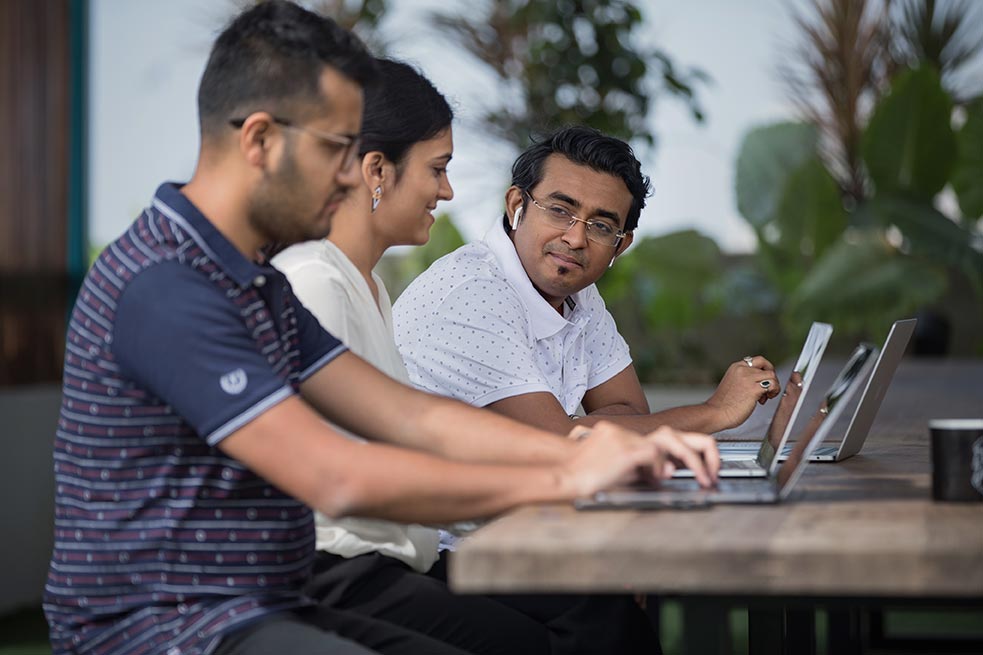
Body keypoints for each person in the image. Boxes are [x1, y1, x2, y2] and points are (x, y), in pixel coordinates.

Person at [43, 4, 720, 655]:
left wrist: (580, 452)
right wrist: (567, 473)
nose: (351, 175)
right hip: (171, 624)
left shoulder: (253, 280)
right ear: (259, 141)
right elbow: (334, 475)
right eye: (338, 148)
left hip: (260, 600)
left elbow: (411, 416)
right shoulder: (168, 285)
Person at [273, 58, 663, 655]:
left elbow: (414, 429)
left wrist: (574, 468)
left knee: (599, 613)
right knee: (579, 625)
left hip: (389, 557)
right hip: (337, 572)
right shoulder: (317, 284)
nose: (449, 190)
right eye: (438, 168)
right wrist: (564, 467)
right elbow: (354, 473)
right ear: (377, 170)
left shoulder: (367, 286)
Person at [394, 125, 781, 439]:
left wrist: (577, 431)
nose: (576, 239)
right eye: (560, 211)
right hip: (447, 534)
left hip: (524, 512)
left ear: (620, 246)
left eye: (600, 226)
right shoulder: (473, 291)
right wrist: (715, 412)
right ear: (516, 206)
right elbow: (561, 446)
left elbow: (630, 412)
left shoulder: (577, 292)